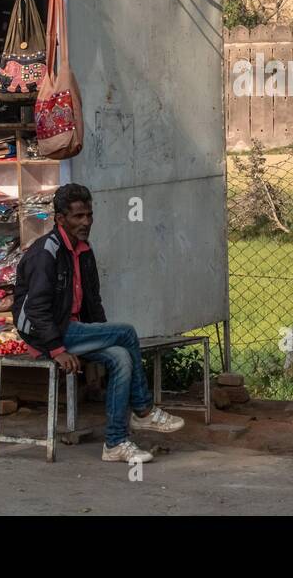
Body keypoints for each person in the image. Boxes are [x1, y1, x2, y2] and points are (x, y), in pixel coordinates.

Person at [13, 183, 184, 465]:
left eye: (89, 215)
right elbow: (35, 309)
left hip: (73, 331)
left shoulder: (84, 251)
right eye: (78, 216)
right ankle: (143, 410)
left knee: (120, 356)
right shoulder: (46, 253)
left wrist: (103, 338)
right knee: (127, 332)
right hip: (45, 335)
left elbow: (93, 302)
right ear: (60, 220)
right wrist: (57, 350)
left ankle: (115, 443)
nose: (86, 222)